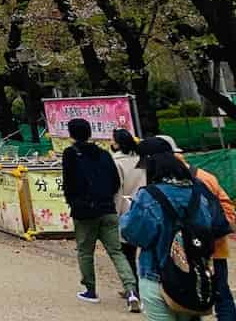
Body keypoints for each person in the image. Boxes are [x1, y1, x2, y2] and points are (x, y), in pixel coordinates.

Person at [121, 136, 232, 319]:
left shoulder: (149, 196)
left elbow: (133, 234)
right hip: (193, 276)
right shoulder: (198, 192)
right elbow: (211, 226)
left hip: (156, 274)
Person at [61, 118, 139, 308]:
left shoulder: (71, 153)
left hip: (84, 210)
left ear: (71, 134)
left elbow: (68, 182)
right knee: (116, 251)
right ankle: (131, 291)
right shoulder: (104, 154)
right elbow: (114, 182)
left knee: (85, 251)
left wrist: (73, 202)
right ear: (90, 132)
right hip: (107, 209)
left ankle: (90, 290)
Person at [159, 134, 236, 320]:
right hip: (215, 246)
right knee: (221, 291)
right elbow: (228, 208)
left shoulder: (164, 183)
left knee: (188, 291)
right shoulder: (206, 176)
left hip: (184, 250)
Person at [112, 128, 146, 291]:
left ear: (118, 143)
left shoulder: (116, 161)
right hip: (146, 206)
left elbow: (117, 190)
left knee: (127, 252)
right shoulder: (142, 159)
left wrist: (115, 213)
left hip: (126, 209)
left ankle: (133, 288)